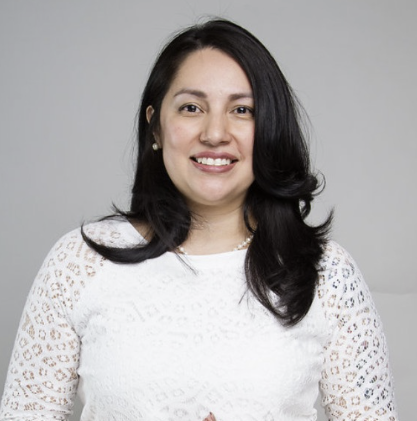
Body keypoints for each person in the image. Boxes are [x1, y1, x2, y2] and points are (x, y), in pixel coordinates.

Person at [0, 18, 398, 421]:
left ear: (270, 130)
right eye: (192, 108)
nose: (215, 133)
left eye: (242, 110)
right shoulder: (78, 263)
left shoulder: (327, 273)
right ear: (156, 124)